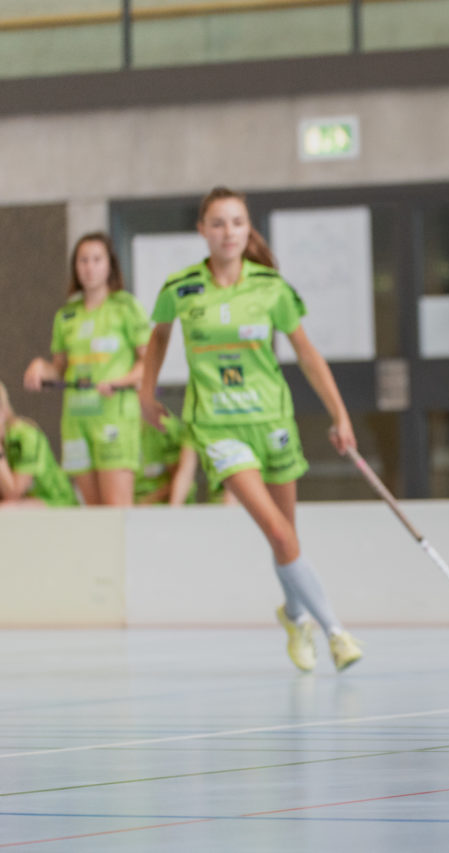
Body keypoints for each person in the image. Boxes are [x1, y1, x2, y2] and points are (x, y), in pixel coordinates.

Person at [139, 186, 361, 673]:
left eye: (236, 222)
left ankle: (294, 615)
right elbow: (157, 340)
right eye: (217, 223)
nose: (227, 232)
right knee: (280, 535)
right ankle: (335, 632)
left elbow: (307, 354)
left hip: (273, 422)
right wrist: (145, 392)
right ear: (202, 230)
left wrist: (339, 414)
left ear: (247, 230)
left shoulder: (271, 287)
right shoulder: (181, 288)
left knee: (288, 539)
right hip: (219, 428)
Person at [22, 233, 149, 506]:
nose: (89, 267)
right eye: (83, 261)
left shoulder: (126, 307)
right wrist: (39, 368)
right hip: (77, 421)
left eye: (96, 260)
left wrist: (120, 381)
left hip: (113, 417)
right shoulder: (66, 316)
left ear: (109, 266)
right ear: (75, 267)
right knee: (93, 513)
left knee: (116, 511)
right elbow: (59, 369)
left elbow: (147, 363)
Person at [0, 381, 78, 507]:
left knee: (6, 510)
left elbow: (13, 494)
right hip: (21, 504)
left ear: (2, 411)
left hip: (55, 502)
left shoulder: (25, 436)